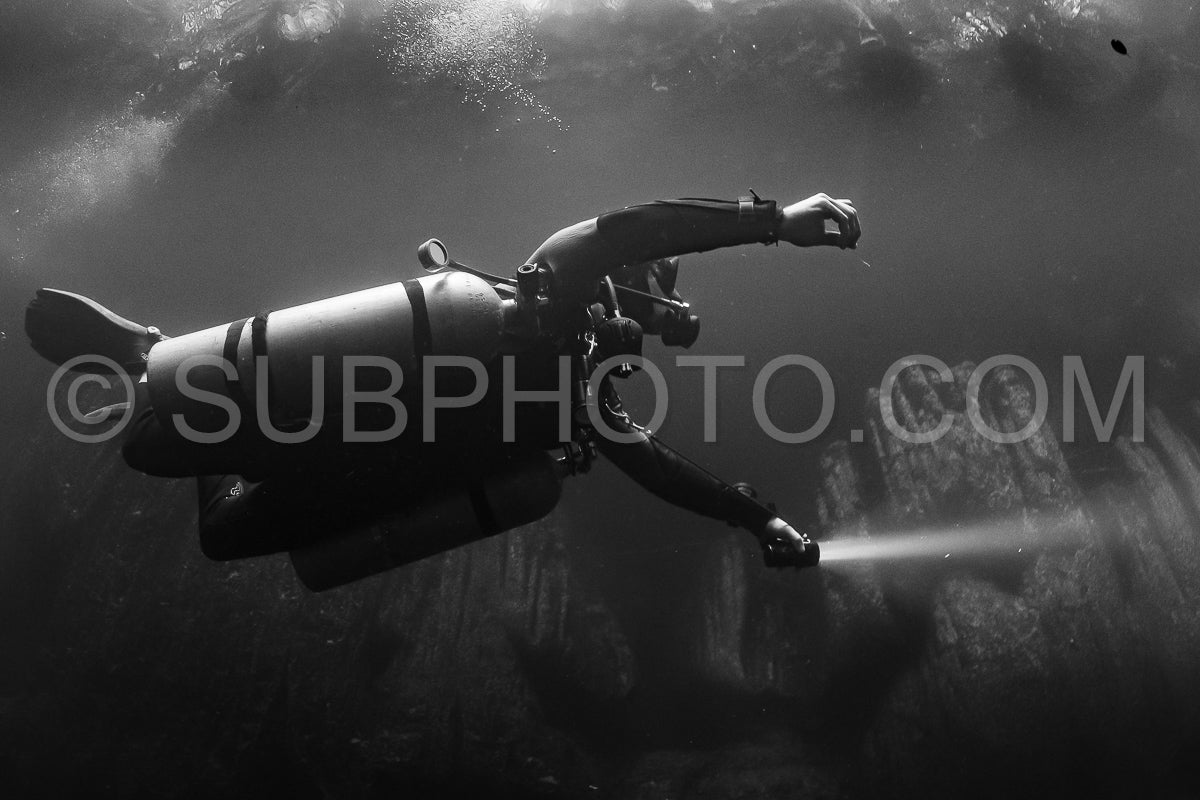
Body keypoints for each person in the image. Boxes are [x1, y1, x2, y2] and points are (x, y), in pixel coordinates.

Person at [26, 192, 860, 589]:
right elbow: (624, 229)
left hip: (352, 463)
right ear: (622, 282)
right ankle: (154, 350)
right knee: (150, 444)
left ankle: (158, 354)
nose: (644, 303)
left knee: (213, 528)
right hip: (321, 400)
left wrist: (758, 519)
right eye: (646, 284)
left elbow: (659, 471)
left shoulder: (589, 400)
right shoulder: (547, 296)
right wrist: (772, 220)